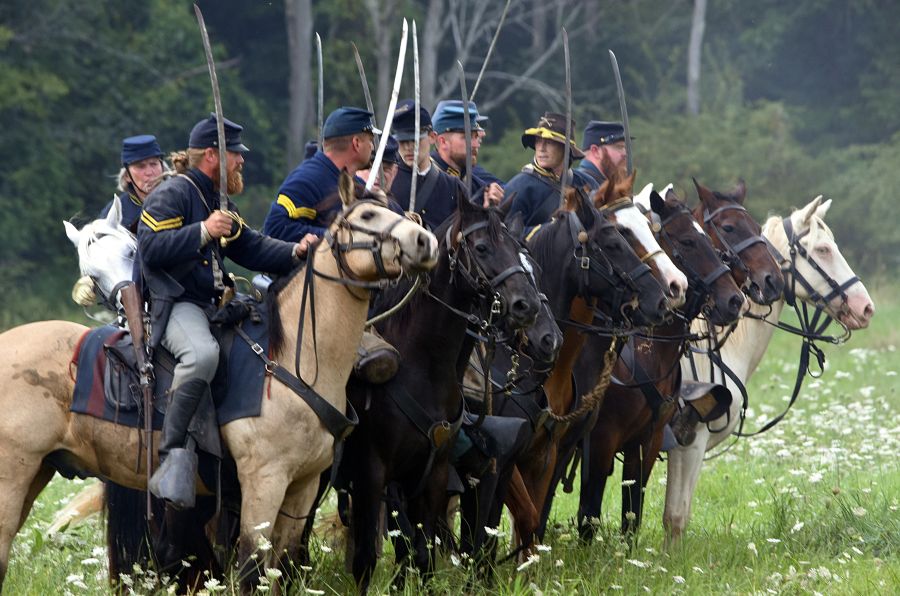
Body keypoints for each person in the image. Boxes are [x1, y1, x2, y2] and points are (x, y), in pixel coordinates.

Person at [138, 113, 310, 508]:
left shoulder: (218, 200)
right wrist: (202, 232)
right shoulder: (173, 193)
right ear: (213, 156)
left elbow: (249, 247)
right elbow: (150, 249)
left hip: (216, 305)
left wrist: (296, 252)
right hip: (177, 304)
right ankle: (174, 454)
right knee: (201, 356)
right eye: (236, 154)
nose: (242, 161)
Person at [263, 107, 400, 385]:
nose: (372, 147)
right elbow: (275, 229)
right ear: (356, 143)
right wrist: (335, 236)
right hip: (310, 303)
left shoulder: (344, 179)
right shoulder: (310, 178)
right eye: (369, 140)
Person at [71, 135, 167, 307]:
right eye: (141, 166)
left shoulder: (183, 197)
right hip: (134, 303)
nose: (150, 172)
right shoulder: (113, 212)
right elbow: (101, 257)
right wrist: (87, 281)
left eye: (154, 164)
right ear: (128, 176)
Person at [504, 112, 595, 230]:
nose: (541, 148)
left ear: (566, 149)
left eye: (550, 142)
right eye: (538, 141)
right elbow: (508, 237)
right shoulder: (517, 188)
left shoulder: (586, 182)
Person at [389, 99, 464, 230]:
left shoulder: (453, 186)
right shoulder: (387, 183)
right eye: (402, 141)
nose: (408, 147)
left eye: (415, 140)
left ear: (432, 137)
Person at [430, 100, 504, 207]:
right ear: (443, 142)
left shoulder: (478, 189)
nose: (476, 144)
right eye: (467, 137)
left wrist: (488, 213)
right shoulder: (420, 180)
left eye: (475, 137)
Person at [576, 120, 630, 187]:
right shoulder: (581, 185)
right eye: (618, 147)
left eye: (624, 147)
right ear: (595, 151)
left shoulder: (604, 184)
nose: (624, 153)